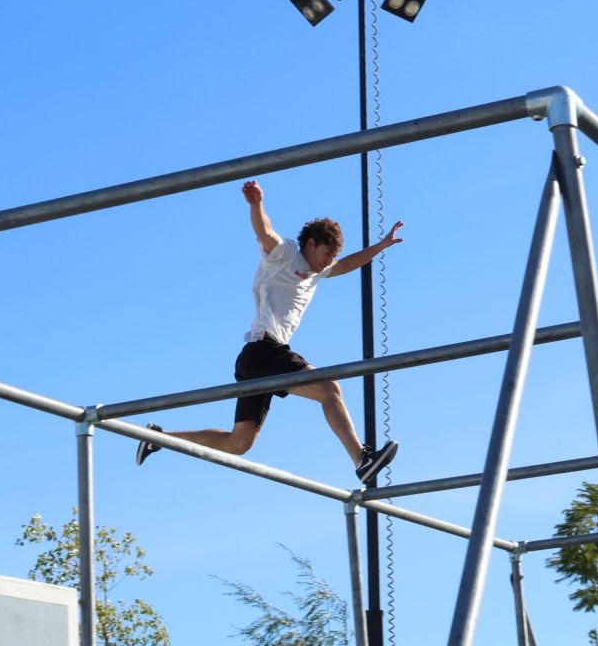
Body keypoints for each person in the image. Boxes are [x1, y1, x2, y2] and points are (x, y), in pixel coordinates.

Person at [137, 181, 401, 485]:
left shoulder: (319, 271)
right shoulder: (287, 254)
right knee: (329, 390)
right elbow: (265, 233)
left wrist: (381, 246)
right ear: (311, 244)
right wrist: (255, 204)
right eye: (326, 254)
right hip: (265, 351)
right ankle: (362, 459)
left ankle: (159, 438)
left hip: (255, 360)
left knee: (239, 443)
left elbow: (347, 264)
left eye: (332, 257)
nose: (328, 262)